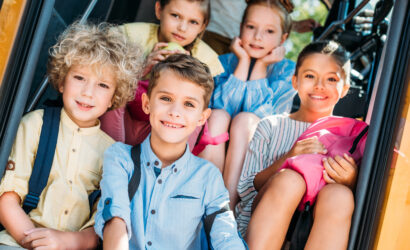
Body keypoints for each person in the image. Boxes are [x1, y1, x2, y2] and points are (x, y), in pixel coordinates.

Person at [0, 22, 143, 249]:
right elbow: (7, 199)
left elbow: (101, 223)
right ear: (62, 81)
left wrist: (67, 242)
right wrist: (36, 242)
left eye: (103, 85)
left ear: (114, 97)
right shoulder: (35, 124)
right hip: (17, 242)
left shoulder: (112, 153)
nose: (88, 92)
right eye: (79, 78)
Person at [94, 54, 245, 249]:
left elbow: (226, 236)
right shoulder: (120, 158)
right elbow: (116, 219)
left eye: (189, 104)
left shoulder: (208, 176)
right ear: (147, 103)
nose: (175, 112)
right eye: (166, 98)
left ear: (202, 117)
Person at [237, 40, 358, 249]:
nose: (319, 85)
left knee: (341, 195)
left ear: (345, 89)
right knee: (290, 181)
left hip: (311, 227)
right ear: (295, 81)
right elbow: (248, 188)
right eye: (310, 76)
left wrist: (351, 181)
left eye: (331, 79)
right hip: (263, 216)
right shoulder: (272, 126)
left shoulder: (350, 138)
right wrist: (288, 158)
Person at [202, 0, 296, 209]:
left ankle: (224, 211)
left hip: (257, 158)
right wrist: (243, 62)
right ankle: (204, 201)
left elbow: (264, 122)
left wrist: (261, 66)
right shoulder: (226, 62)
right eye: (251, 27)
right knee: (217, 116)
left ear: (283, 39)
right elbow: (220, 105)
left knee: (245, 121)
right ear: (241, 28)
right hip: (217, 150)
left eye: (269, 31)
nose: (257, 37)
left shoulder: (288, 72)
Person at [100, 0, 225, 149]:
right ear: (159, 10)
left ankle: (172, 166)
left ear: (203, 26)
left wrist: (188, 72)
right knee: (112, 89)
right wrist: (142, 68)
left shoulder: (207, 59)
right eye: (175, 16)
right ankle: (113, 153)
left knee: (196, 113)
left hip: (168, 125)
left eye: (193, 22)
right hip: (125, 121)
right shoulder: (129, 35)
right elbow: (102, 78)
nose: (182, 27)